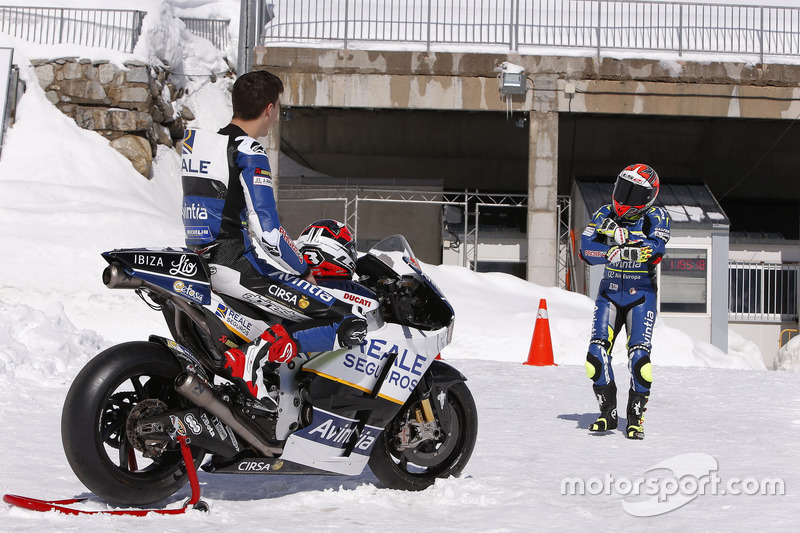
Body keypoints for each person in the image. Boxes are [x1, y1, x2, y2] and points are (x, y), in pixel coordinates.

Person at [180, 70, 366, 405]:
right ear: (269, 109)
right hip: (235, 266)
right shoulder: (248, 149)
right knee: (346, 320)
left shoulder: (202, 145)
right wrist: (303, 272)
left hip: (199, 262)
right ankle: (261, 353)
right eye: (277, 107)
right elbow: (269, 233)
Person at [579, 163, 671, 439]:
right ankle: (608, 413)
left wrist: (626, 241)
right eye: (622, 188)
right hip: (609, 294)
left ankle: (636, 418)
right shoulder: (604, 213)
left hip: (640, 296)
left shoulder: (657, 215)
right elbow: (585, 249)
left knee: (640, 360)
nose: (623, 199)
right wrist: (610, 252)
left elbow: (656, 249)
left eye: (632, 193)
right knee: (595, 357)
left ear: (647, 197)